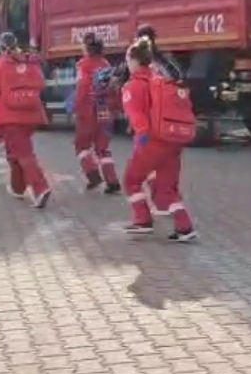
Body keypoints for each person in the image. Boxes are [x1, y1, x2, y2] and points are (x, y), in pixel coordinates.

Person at [120, 37, 198, 242]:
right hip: (172, 140)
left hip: (152, 142)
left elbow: (138, 119)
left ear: (135, 61)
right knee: (167, 188)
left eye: (128, 60)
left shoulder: (132, 86)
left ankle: (142, 220)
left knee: (131, 180)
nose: (127, 64)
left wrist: (142, 142)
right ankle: (184, 227)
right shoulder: (161, 80)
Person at [0, 32, 52, 208]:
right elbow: (41, 84)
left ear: (0, 47)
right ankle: (17, 188)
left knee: (23, 154)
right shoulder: (29, 62)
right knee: (14, 153)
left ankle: (40, 188)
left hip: (9, 118)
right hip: (32, 114)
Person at [73, 32, 121, 193]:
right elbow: (114, 88)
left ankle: (92, 174)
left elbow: (82, 88)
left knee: (82, 144)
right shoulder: (106, 64)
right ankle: (112, 180)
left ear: (86, 48)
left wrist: (77, 107)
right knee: (102, 147)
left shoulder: (83, 64)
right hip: (106, 109)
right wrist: (116, 108)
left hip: (89, 110)